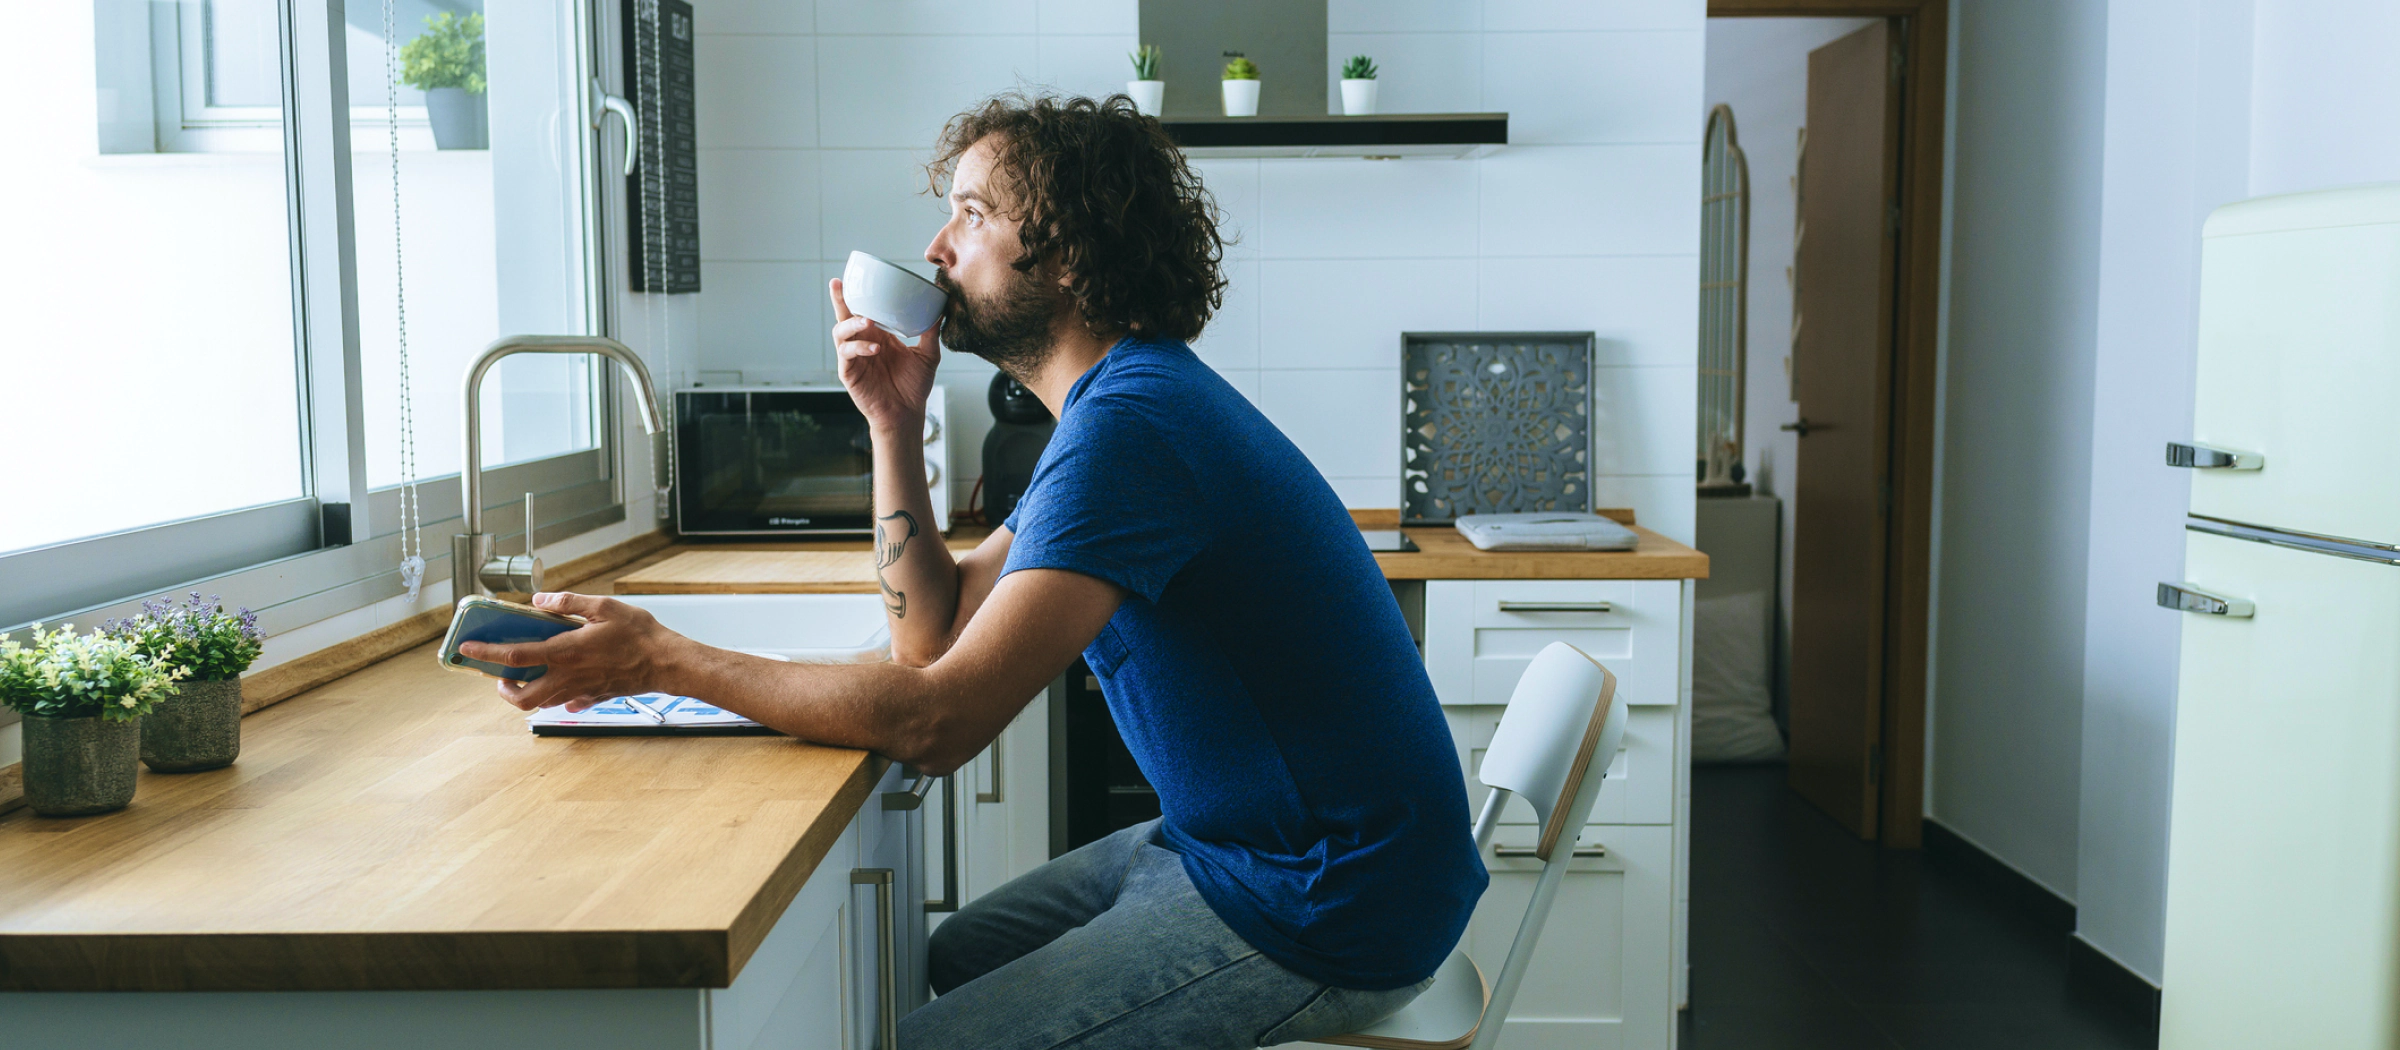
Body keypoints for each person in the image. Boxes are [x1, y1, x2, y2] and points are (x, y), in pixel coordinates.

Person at [457, 92, 1486, 1049]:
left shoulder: (1134, 429)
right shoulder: (1117, 410)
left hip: (1328, 902)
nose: (935, 248)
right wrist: (893, 423)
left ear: (1069, 255)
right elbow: (931, 632)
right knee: (948, 958)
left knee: (928, 1042)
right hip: (1242, 851)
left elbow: (934, 721)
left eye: (972, 215)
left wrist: (664, 660)